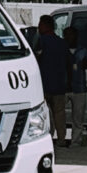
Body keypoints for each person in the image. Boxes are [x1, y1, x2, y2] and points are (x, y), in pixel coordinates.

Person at [32, 12, 72, 147]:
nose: (38, 28)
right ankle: (61, 139)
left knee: (44, 114)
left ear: (45, 26)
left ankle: (47, 138)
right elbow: (69, 64)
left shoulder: (40, 42)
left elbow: (34, 61)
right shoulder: (62, 43)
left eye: (40, 25)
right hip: (59, 85)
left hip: (43, 85)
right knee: (59, 113)